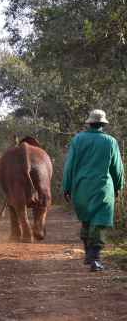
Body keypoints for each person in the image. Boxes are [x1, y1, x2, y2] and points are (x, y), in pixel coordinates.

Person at [62, 109, 124, 272]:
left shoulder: (78, 139)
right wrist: (119, 186)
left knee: (86, 221)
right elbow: (117, 169)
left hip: (81, 187)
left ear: (89, 123)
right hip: (103, 189)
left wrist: (66, 187)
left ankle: (89, 255)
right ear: (103, 124)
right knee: (100, 222)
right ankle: (95, 258)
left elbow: (69, 166)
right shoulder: (110, 141)